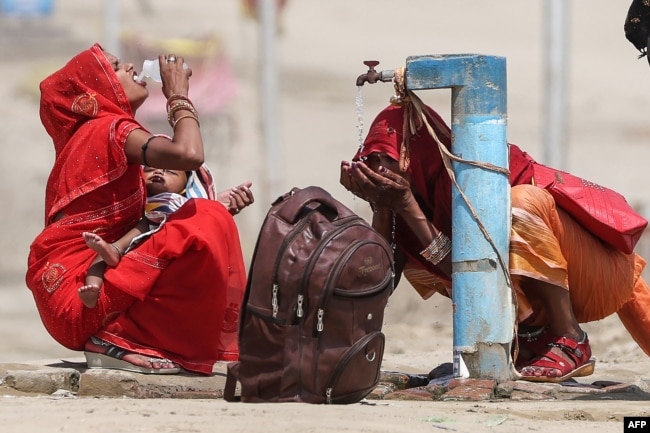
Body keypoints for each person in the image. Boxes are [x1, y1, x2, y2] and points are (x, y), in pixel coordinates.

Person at [340, 90, 650, 383]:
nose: (377, 169)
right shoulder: (405, 200)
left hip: (601, 274)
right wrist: (381, 209)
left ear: (418, 154)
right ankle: (523, 344)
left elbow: (477, 271)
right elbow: (376, 286)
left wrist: (406, 206)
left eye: (388, 157)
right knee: (419, 253)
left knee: (521, 204)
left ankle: (570, 340)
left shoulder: (472, 175)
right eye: (371, 158)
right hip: (560, 288)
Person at [26, 43, 253, 375]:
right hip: (81, 291)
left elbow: (156, 221)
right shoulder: (110, 129)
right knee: (206, 219)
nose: (131, 67)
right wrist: (178, 96)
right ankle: (122, 340)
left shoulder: (94, 135)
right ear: (99, 88)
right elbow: (189, 155)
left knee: (207, 218)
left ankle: (135, 336)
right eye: (116, 66)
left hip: (68, 291)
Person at [79, 166, 254, 308]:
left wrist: (214, 204)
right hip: (131, 250)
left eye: (170, 171)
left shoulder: (185, 206)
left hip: (161, 269)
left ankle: (113, 252)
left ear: (187, 185)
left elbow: (198, 215)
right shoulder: (130, 203)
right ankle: (93, 289)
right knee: (101, 256)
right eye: (149, 169)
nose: (158, 171)